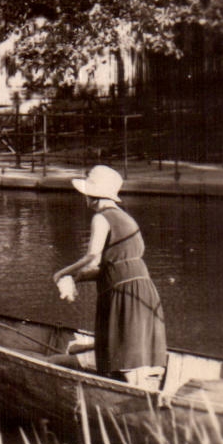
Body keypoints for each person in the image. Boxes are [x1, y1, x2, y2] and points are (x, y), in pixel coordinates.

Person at [52, 165, 168, 388]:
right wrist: (76, 279)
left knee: (123, 355)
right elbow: (113, 266)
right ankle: (136, 388)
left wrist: (61, 273)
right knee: (134, 352)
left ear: (91, 196)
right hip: (140, 288)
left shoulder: (101, 217)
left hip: (121, 292)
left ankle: (128, 393)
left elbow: (93, 255)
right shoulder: (126, 218)